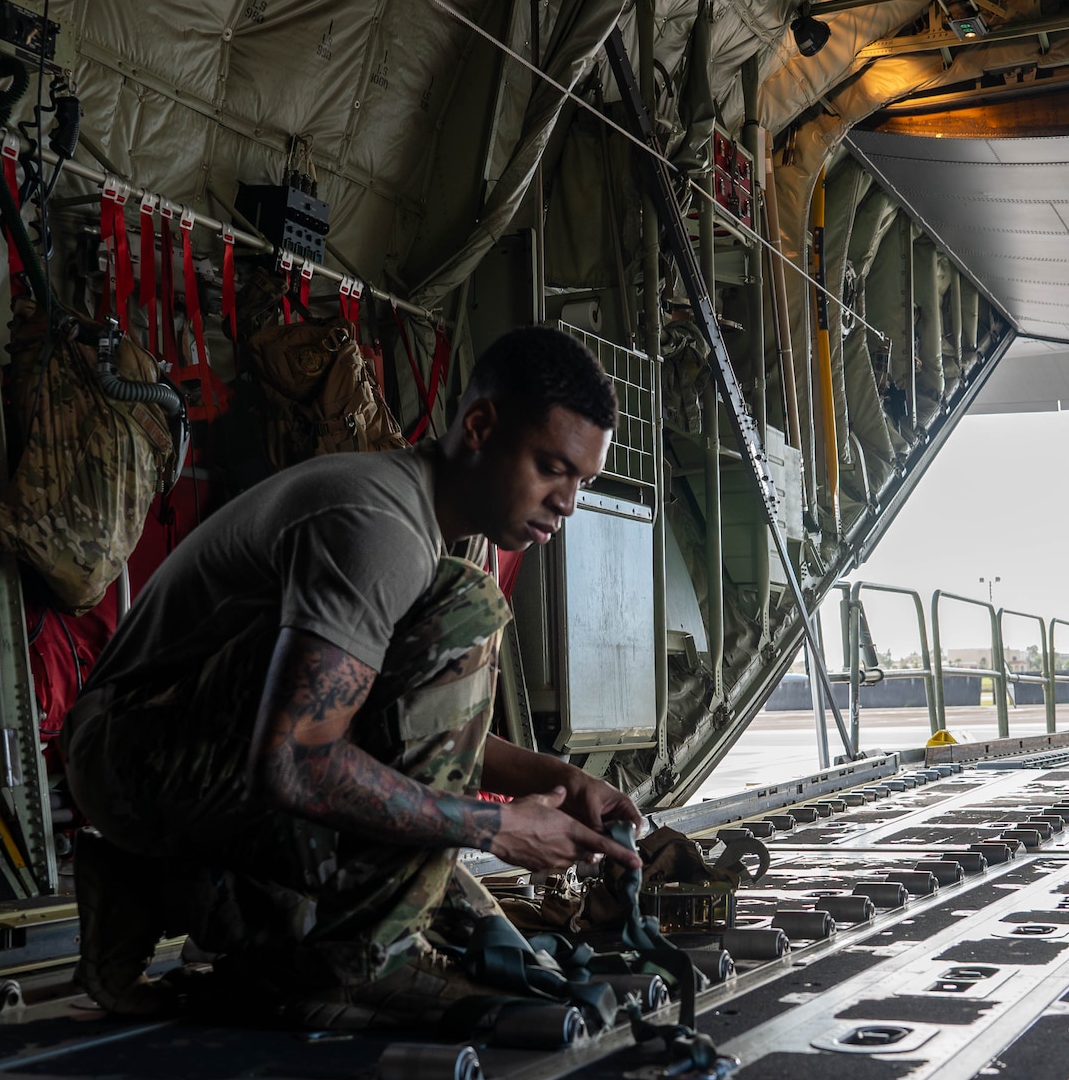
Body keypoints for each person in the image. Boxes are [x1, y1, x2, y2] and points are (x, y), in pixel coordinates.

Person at [61, 328, 644, 1031]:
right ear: (481, 427)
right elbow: (297, 761)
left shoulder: (422, 522)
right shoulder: (381, 528)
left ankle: (159, 888)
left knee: (450, 905)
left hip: (171, 750)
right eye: (552, 468)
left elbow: (366, 711)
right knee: (468, 612)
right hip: (132, 756)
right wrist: (496, 829)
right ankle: (358, 963)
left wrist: (552, 777)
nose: (568, 502)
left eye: (582, 481)